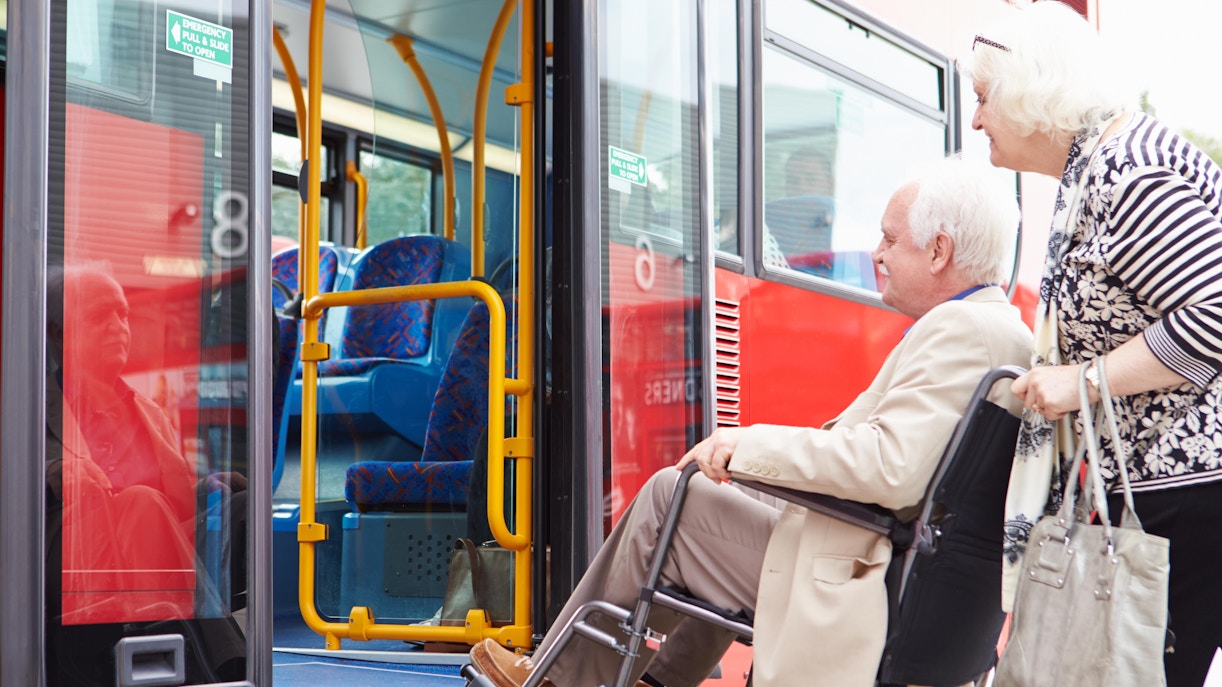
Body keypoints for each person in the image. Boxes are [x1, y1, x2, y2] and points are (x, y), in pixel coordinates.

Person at [469, 155, 1033, 687]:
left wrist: (748, 444)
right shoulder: (998, 330)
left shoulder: (960, 330)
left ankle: (561, 679)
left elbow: (890, 469)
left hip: (861, 582)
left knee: (674, 495)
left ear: (939, 250)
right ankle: (656, 679)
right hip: (894, 565)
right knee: (728, 496)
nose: (876, 253)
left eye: (889, 238)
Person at [968, 4, 1222, 686]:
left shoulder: (1128, 171)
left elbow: (1216, 314)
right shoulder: (1095, 172)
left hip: (1184, 497)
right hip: (1159, 496)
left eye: (984, 98)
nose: (976, 119)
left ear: (1030, 91)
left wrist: (1083, 379)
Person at [45, 264, 246, 684]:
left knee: (244, 504)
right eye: (102, 316)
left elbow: (174, 501)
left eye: (124, 315)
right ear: (58, 334)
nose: (120, 326)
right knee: (140, 503)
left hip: (157, 546)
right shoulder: (29, 407)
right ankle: (227, 665)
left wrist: (205, 487)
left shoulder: (149, 411)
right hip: (77, 555)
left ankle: (179, 631)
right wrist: (54, 471)